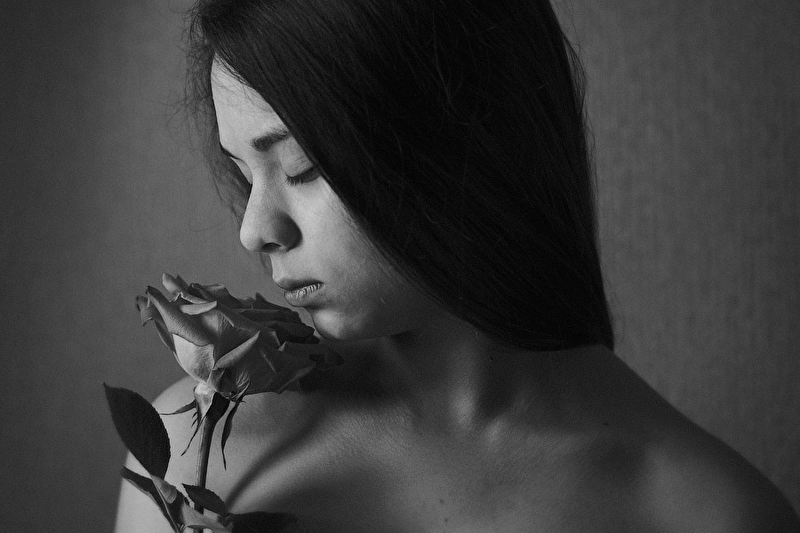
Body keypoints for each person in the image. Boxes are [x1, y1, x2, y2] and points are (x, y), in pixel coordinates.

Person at [115, 0, 800, 531]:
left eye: (302, 165)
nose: (254, 230)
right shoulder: (190, 453)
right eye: (244, 173)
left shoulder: (711, 515)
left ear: (459, 141)